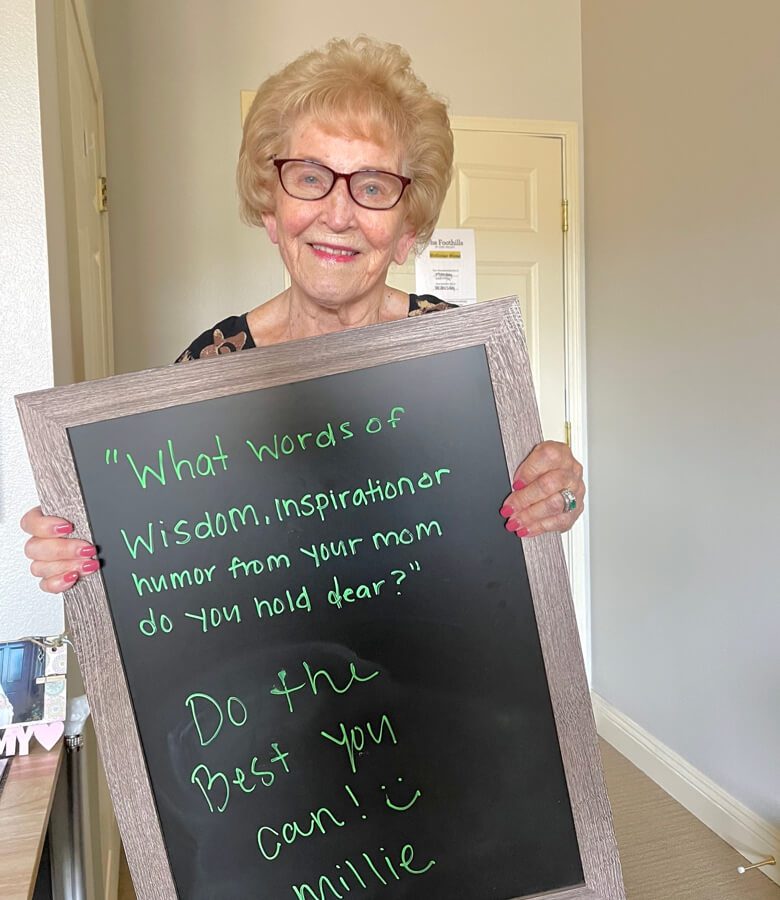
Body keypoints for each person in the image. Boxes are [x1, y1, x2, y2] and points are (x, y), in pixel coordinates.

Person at [20, 36, 584, 593]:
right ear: (271, 210)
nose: (338, 215)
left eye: (372, 185)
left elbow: (516, 521)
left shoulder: (462, 355)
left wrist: (555, 493)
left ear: (406, 231)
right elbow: (172, 549)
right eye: (311, 178)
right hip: (263, 681)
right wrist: (79, 545)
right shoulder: (210, 364)